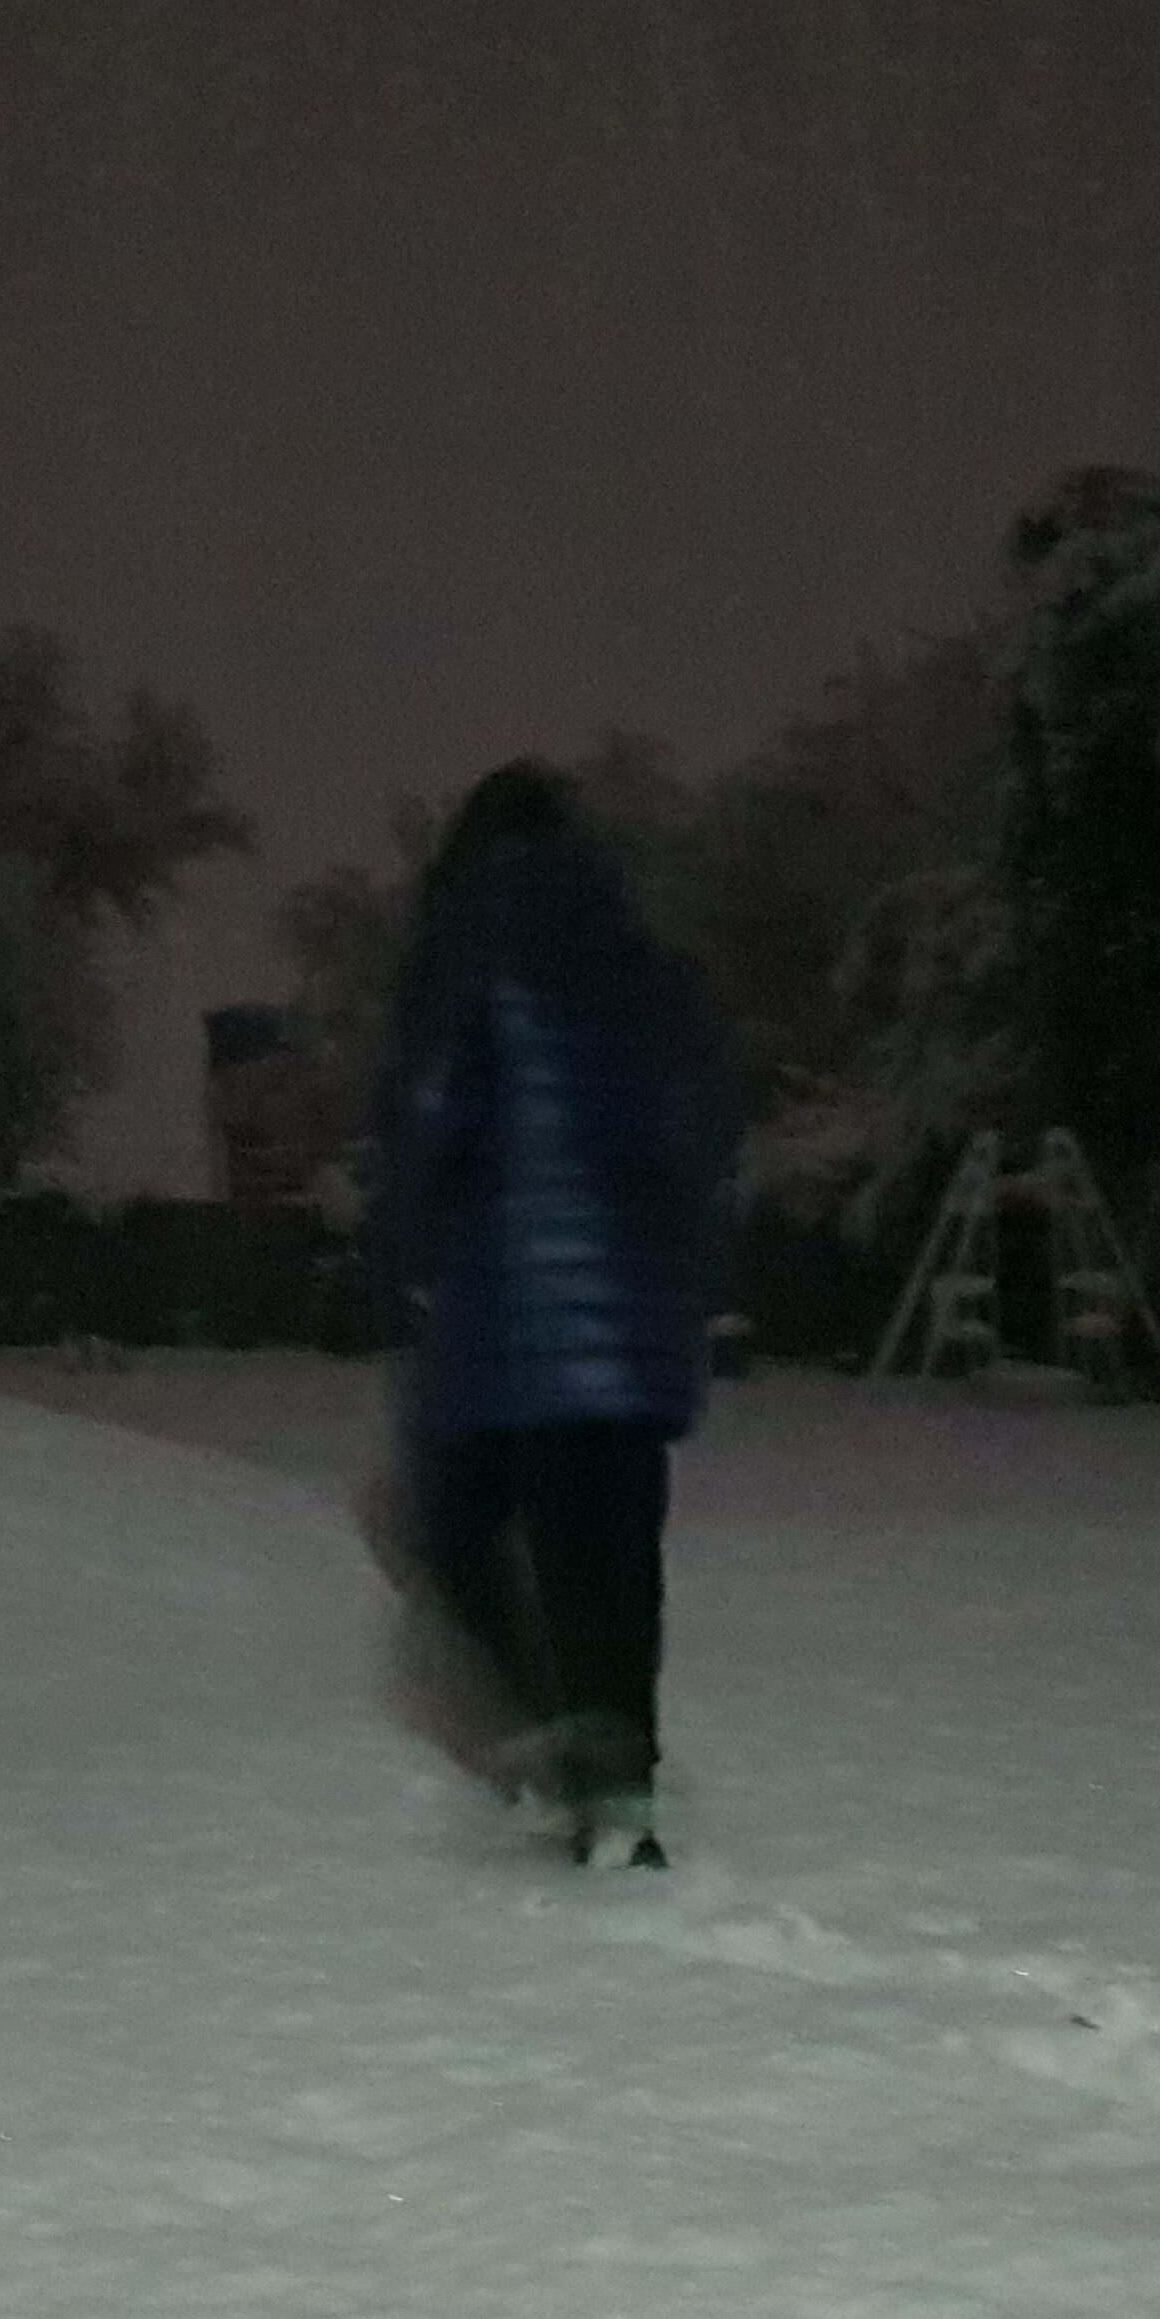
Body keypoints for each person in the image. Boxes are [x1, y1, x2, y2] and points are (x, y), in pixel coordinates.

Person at [376, 760, 720, 1870]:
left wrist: (410, 1242)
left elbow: (433, 1104)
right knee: (617, 1544)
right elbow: (702, 1119)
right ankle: (621, 1787)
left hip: (509, 1303)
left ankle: (555, 1738)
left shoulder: (472, 938)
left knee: (450, 1521)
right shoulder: (641, 954)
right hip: (641, 1309)